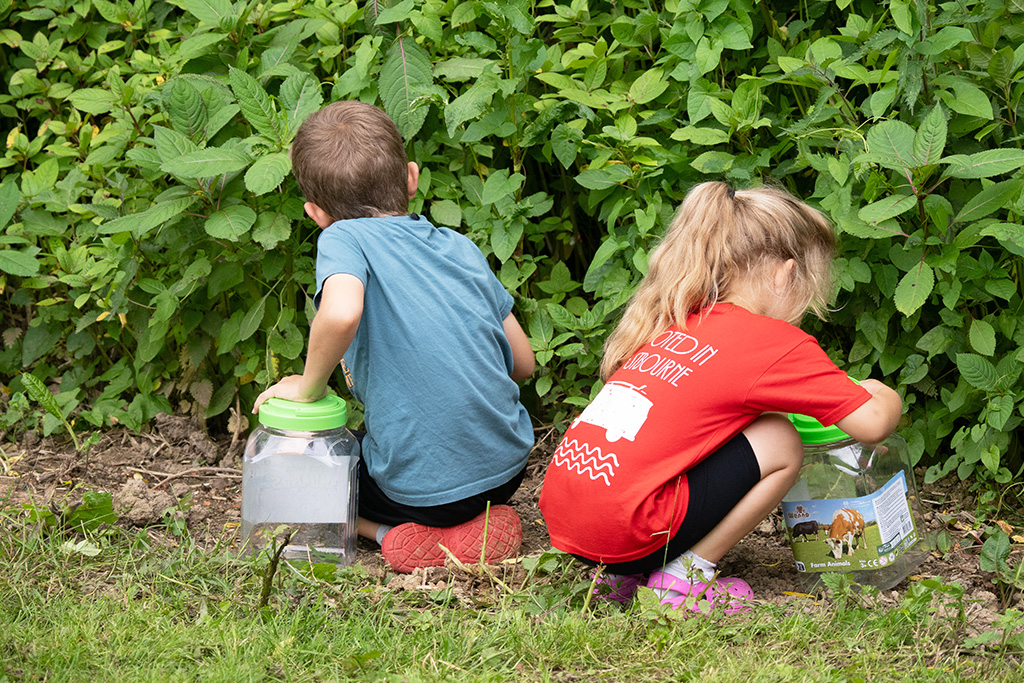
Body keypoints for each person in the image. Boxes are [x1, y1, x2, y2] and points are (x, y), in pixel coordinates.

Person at [538, 182, 902, 612]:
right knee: (780, 438)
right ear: (785, 273)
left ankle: (624, 577)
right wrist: (878, 391)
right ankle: (681, 582)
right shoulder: (772, 342)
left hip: (571, 523)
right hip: (629, 529)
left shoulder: (676, 320)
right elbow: (874, 423)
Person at [253, 101, 536, 573]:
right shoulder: (459, 246)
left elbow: (342, 312)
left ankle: (390, 534)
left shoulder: (342, 238)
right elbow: (523, 363)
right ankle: (472, 528)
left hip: (418, 496)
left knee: (301, 471)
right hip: (506, 472)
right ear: (411, 177)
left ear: (316, 213)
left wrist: (308, 386)